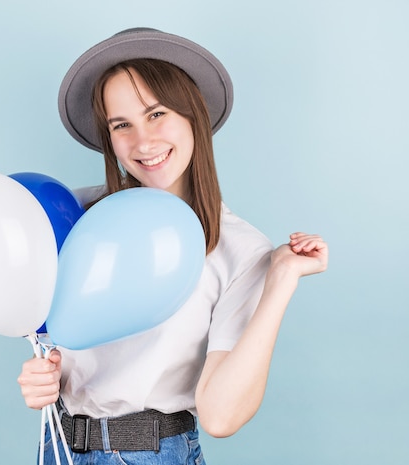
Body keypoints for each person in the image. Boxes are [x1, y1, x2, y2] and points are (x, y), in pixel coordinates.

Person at [17, 27, 328, 465]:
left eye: (157, 114)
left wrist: (281, 278)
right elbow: (46, 325)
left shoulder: (238, 249)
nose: (143, 142)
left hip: (153, 453)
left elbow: (220, 416)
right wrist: (44, 376)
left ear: (191, 115)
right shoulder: (76, 214)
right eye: (121, 124)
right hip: (60, 446)